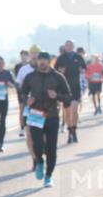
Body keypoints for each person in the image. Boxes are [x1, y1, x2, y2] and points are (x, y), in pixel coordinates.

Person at [20, 52, 72, 188]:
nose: (42, 62)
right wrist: (27, 100)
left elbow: (68, 96)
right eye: (40, 60)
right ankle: (39, 162)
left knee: (51, 149)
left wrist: (57, 95)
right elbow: (22, 92)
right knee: (36, 145)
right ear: (37, 61)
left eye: (44, 60)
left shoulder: (58, 77)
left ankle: (48, 176)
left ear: (49, 61)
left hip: (52, 116)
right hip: (35, 115)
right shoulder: (31, 76)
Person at [55, 40, 87, 143]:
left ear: (73, 46)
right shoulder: (61, 58)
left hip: (75, 87)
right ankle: (70, 132)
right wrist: (60, 71)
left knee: (74, 110)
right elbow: (55, 71)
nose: (68, 47)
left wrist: (82, 70)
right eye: (67, 45)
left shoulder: (78, 57)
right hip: (64, 88)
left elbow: (84, 68)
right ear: (65, 46)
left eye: (70, 45)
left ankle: (74, 130)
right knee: (68, 112)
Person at [16, 45, 41, 168]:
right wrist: (24, 99)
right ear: (29, 54)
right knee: (29, 133)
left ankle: (40, 153)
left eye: (37, 53)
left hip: (43, 107)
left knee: (42, 135)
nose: (35, 55)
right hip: (29, 107)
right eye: (33, 53)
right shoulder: (23, 69)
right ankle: (34, 158)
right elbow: (19, 86)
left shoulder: (45, 68)